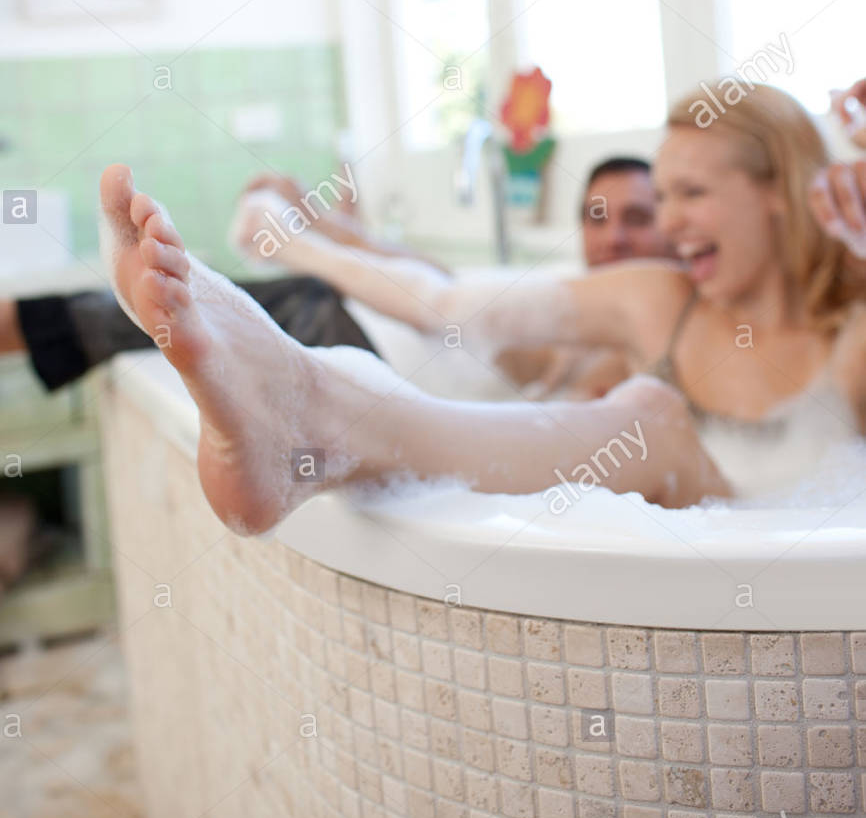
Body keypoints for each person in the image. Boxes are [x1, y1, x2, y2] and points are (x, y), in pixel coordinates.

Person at [221, 81, 866, 519]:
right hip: (661, 572)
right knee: (645, 409)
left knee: (651, 418)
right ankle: (326, 426)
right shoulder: (661, 299)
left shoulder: (849, 336)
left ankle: (334, 428)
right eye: (662, 198)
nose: (668, 226)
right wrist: (291, 243)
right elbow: (444, 301)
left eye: (691, 195)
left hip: (764, 586)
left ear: (779, 192)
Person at [0, 153, 664, 397]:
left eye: (637, 218)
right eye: (597, 217)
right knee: (229, 302)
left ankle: (39, 324)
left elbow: (441, 304)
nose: (613, 235)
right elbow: (433, 273)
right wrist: (314, 217)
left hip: (391, 375)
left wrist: (295, 237)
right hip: (381, 348)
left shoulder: (639, 333)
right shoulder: (575, 289)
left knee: (291, 298)